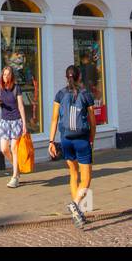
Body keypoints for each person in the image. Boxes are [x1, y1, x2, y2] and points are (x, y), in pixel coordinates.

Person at [48, 65, 96, 229]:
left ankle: (79, 213)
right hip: (81, 140)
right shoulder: (86, 94)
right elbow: (92, 122)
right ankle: (75, 205)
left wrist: (51, 142)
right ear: (79, 76)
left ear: (66, 77)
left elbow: (54, 119)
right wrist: (91, 140)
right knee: (87, 178)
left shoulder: (60, 94)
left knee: (73, 174)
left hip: (66, 139)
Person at [0, 66, 29, 188]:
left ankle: (15, 177)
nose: (6, 77)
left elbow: (21, 106)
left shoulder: (16, 88)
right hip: (4, 121)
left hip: (16, 121)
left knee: (14, 148)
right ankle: (17, 167)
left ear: (12, 76)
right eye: (4, 74)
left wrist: (24, 124)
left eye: (8, 74)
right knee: (4, 149)